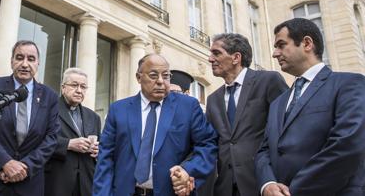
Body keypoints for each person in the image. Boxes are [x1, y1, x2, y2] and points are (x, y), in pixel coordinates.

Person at [255, 18, 365, 196]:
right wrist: (268, 184)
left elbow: (347, 143)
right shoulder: (277, 103)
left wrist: (295, 190)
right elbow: (264, 150)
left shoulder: (349, 84)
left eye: (281, 45)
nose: (275, 53)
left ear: (307, 43)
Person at [93, 54, 217, 196]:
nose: (160, 81)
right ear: (139, 78)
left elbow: (208, 144)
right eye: (153, 75)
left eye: (166, 76)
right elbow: (105, 159)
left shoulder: (188, 107)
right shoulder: (118, 110)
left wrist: (188, 170)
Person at [0, 40, 60, 196]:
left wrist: (25, 167)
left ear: (38, 64)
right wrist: (5, 162)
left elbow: (51, 138)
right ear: (11, 62)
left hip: (29, 182)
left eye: (31, 59)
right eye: (19, 57)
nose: (24, 64)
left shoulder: (49, 96)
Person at [205, 33, 287, 196]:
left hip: (265, 185)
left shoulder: (269, 81)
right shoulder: (213, 99)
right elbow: (210, 142)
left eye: (217, 53)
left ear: (236, 57)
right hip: (226, 188)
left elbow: (287, 129)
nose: (210, 59)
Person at [45, 68, 101, 196]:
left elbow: (102, 146)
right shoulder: (48, 110)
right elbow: (38, 141)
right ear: (63, 87)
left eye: (83, 86)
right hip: (57, 182)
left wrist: (98, 150)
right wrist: (68, 144)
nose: (79, 90)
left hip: (86, 184)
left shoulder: (94, 117)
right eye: (74, 85)